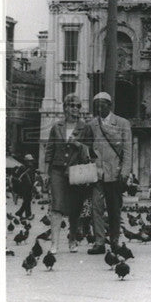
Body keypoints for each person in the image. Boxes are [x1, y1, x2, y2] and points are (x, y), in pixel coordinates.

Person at [44, 95, 94, 252]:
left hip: (76, 170)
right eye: (72, 105)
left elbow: (91, 150)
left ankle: (72, 239)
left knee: (75, 207)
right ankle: (54, 243)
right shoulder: (56, 127)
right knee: (56, 206)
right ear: (65, 108)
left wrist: (77, 144)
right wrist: (46, 173)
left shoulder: (85, 127)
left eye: (78, 106)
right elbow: (49, 149)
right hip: (57, 170)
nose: (75, 109)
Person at [86, 92, 133, 255]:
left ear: (110, 105)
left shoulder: (122, 123)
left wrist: (125, 172)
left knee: (114, 210)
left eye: (102, 105)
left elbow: (127, 150)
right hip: (97, 173)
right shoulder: (91, 124)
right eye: (96, 105)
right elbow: (87, 147)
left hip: (115, 172)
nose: (99, 108)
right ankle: (99, 242)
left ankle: (114, 241)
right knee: (96, 208)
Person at [13, 155, 38, 219]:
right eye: (29, 161)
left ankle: (19, 212)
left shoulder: (31, 168)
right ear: (26, 161)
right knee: (27, 200)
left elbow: (33, 177)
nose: (31, 162)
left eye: (31, 161)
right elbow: (16, 177)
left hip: (30, 187)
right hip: (23, 187)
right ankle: (28, 215)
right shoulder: (22, 167)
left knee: (27, 200)